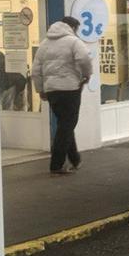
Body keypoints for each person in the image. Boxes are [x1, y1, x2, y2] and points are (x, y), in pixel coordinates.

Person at [31, 16, 93, 176]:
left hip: (52, 90)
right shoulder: (73, 42)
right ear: (71, 27)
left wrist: (40, 90)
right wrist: (87, 75)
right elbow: (84, 58)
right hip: (70, 89)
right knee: (66, 125)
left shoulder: (44, 44)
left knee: (65, 125)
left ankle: (75, 159)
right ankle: (56, 165)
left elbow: (36, 70)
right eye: (76, 29)